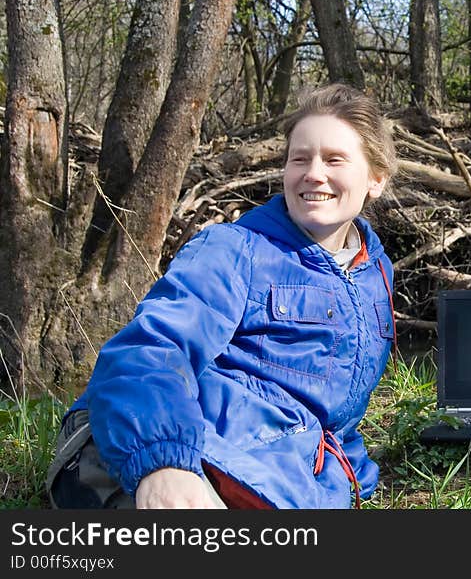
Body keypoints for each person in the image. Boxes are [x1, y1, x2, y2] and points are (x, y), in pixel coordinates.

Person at [46, 82, 398, 509]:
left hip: (272, 465)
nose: (313, 173)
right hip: (138, 445)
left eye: (334, 159)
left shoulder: (374, 271)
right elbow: (150, 352)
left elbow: (334, 415)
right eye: (299, 159)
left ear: (375, 179)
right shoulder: (233, 249)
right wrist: (164, 466)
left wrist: (349, 476)